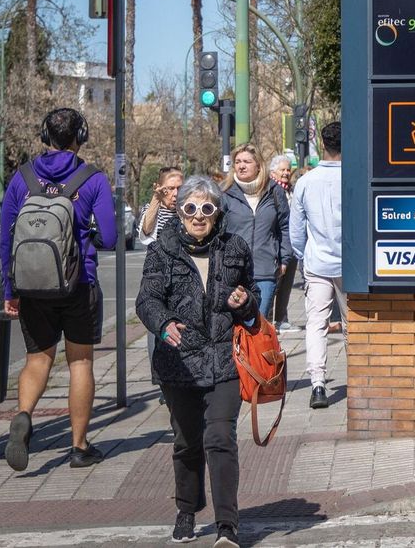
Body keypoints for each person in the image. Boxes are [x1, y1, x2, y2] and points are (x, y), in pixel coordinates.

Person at [135, 174, 256, 548]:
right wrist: (163, 323)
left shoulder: (235, 248)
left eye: (207, 208)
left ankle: (227, 526)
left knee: (220, 438)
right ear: (180, 211)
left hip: (224, 359)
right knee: (188, 441)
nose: (198, 216)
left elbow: (251, 297)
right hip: (180, 363)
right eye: (190, 208)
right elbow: (147, 300)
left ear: (217, 213)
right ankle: (186, 509)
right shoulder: (162, 250)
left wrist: (245, 301)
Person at [0, 107, 116, 472]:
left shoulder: (22, 178)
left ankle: (22, 416)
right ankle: (79, 447)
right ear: (81, 136)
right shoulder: (93, 179)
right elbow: (110, 238)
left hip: (33, 287)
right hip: (78, 285)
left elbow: (7, 239)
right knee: (80, 361)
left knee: (38, 360)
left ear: (43, 135)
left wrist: (10, 289)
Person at [289, 123, 343, 409]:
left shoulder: (306, 182)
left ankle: (318, 384)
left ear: (323, 144)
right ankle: (357, 378)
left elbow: (296, 231)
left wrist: (303, 256)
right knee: (351, 325)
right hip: (351, 263)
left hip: (317, 262)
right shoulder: (354, 177)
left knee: (316, 324)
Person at [220, 144, 292, 321]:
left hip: (265, 269)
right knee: (235, 326)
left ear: (258, 165)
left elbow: (284, 226)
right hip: (232, 271)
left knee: (258, 323)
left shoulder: (274, 191)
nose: (241, 166)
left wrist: (284, 259)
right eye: (237, 162)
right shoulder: (224, 192)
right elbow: (216, 231)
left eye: (246, 161)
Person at [266, 154, 299, 332]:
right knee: (275, 282)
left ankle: (282, 318)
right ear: (273, 172)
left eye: (288, 169)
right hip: (276, 243)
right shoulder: (270, 189)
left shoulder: (291, 190)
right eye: (282, 170)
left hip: (292, 242)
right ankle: (270, 320)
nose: (286, 173)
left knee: (287, 284)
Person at [137, 166, 184, 248]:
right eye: (171, 188)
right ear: (159, 187)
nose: (176, 193)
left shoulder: (187, 210)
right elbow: (146, 230)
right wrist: (156, 198)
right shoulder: (151, 209)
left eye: (179, 188)